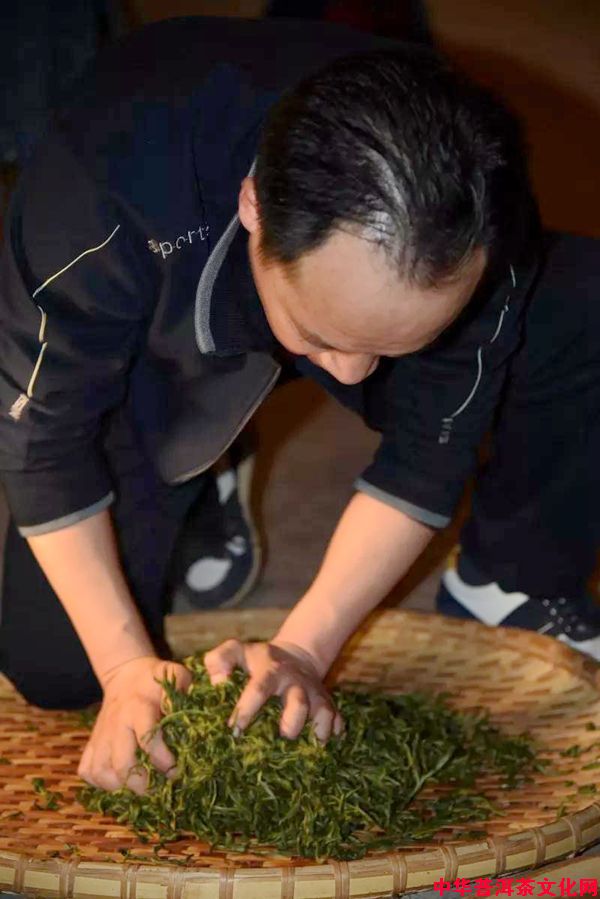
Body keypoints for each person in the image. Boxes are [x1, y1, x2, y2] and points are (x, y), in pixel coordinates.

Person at [0, 16, 598, 796]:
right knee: (57, 668)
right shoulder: (101, 190)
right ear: (254, 203)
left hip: (328, 284)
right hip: (156, 320)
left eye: (393, 344)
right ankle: (208, 444)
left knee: (581, 310)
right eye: (326, 339)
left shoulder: (481, 211)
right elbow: (43, 444)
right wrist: (122, 667)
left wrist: (305, 650)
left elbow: (428, 453)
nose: (356, 375)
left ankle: (513, 573)